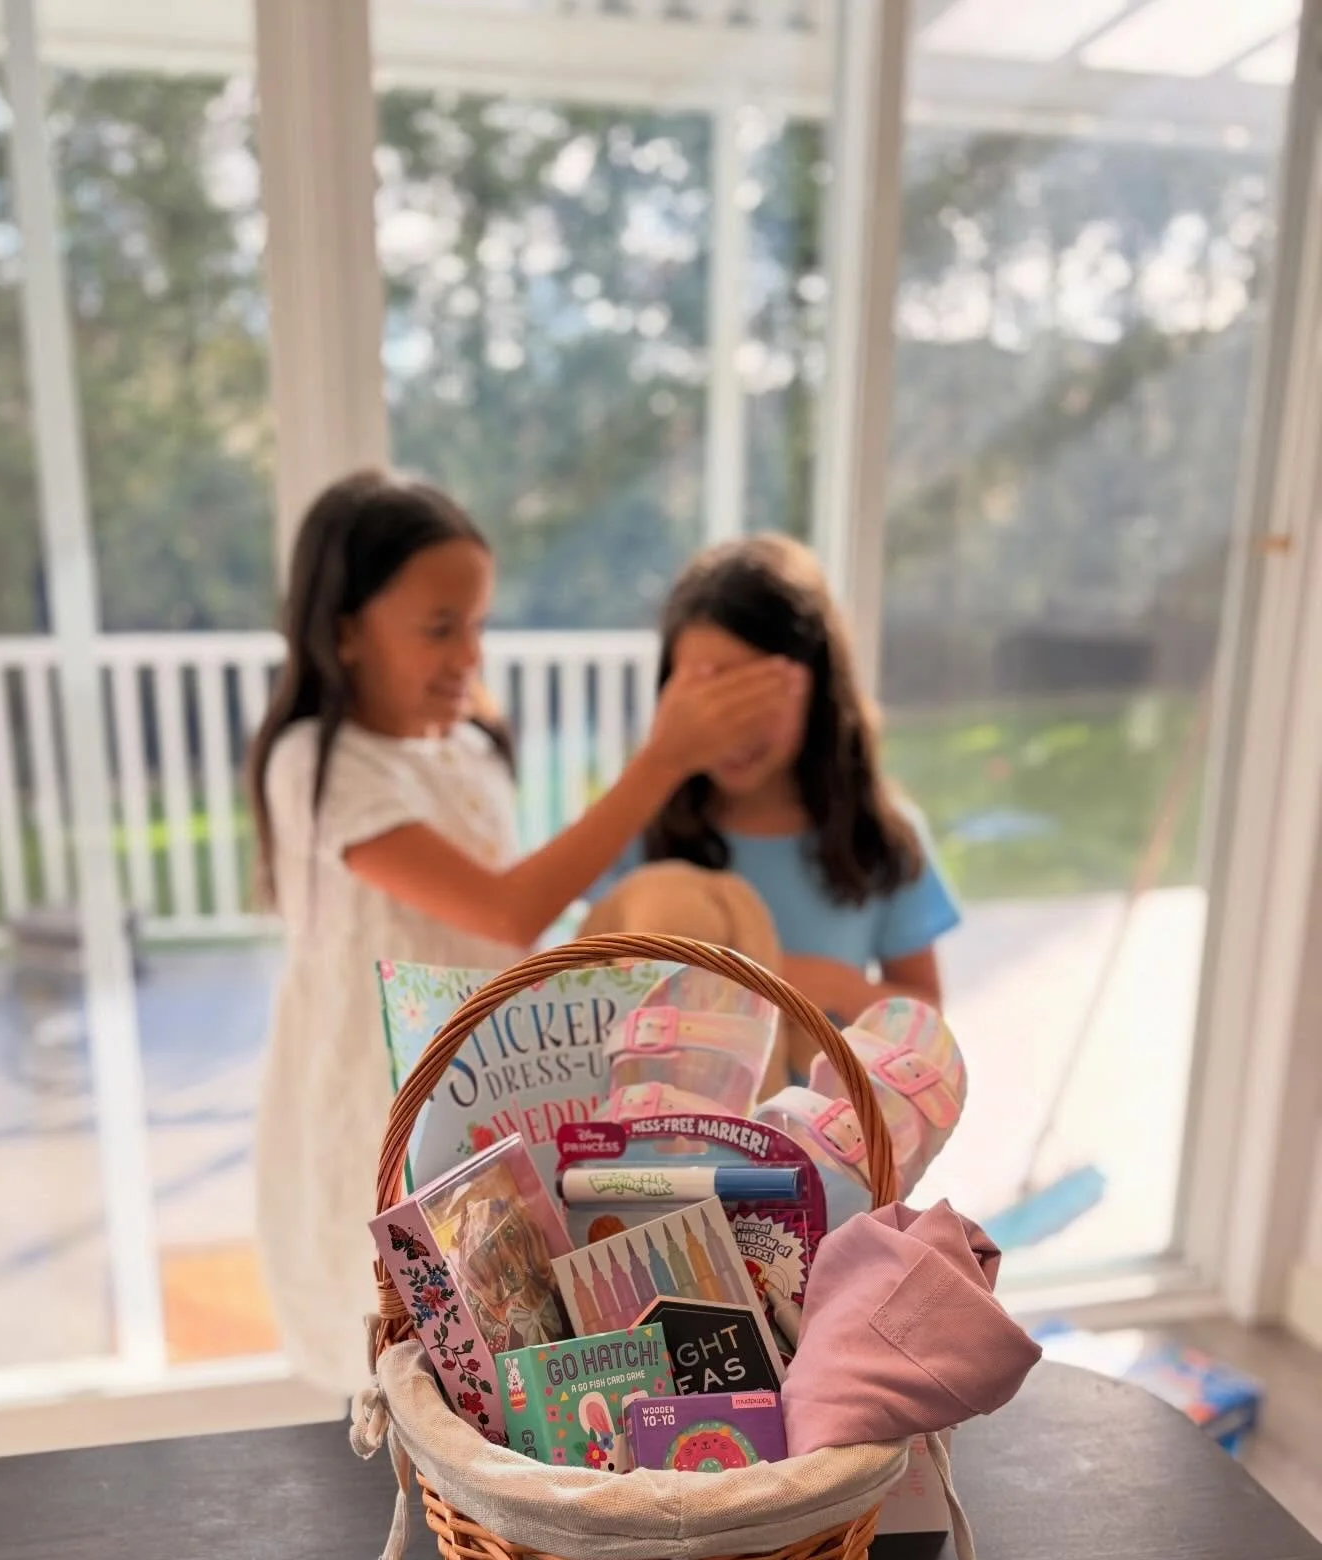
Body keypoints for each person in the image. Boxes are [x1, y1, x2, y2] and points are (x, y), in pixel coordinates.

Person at [249, 471, 804, 1391]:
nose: (469, 653)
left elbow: (502, 941)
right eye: (440, 628)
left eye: (477, 624)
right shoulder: (322, 764)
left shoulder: (469, 752)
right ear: (344, 631)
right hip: (374, 1095)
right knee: (389, 1332)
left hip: (474, 1086)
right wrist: (662, 759)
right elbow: (506, 908)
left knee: (492, 1321)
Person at [588, 533, 960, 1037]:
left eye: (754, 694)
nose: (730, 726)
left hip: (833, 1089)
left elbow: (927, 1017)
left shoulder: (882, 839)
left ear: (819, 686)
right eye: (706, 695)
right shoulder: (634, 831)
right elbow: (589, 991)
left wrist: (837, 988)